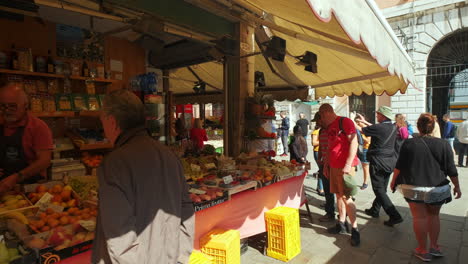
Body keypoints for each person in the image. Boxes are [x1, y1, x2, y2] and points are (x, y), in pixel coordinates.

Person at [92, 90, 194, 264]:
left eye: (102, 121)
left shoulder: (114, 164)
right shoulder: (169, 155)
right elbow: (187, 211)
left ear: (112, 122)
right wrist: (181, 257)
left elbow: (119, 236)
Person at [390, 113, 461, 262]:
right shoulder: (444, 144)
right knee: (434, 216)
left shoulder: (409, 143)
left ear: (418, 127)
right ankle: (434, 247)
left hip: (413, 187)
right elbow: (451, 169)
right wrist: (457, 186)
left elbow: (399, 166)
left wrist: (393, 180)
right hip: (437, 188)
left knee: (419, 217)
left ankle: (422, 250)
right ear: (434, 126)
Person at [319, 104, 360, 246]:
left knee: (346, 197)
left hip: (345, 168)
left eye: (322, 116)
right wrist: (326, 164)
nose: (321, 119)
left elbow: (354, 142)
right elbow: (331, 147)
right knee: (338, 195)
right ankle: (341, 224)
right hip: (333, 166)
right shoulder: (330, 126)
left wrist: (348, 164)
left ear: (327, 112)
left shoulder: (345, 121)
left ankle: (355, 229)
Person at [0, 81, 53, 193]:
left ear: (25, 105)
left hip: (30, 187)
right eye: (3, 106)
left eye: (13, 106)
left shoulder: (37, 127)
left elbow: (44, 161)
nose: (7, 110)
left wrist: (17, 177)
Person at [357, 106, 403, 227]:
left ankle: (394, 215)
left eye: (378, 114)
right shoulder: (393, 127)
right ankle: (375, 210)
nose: (376, 116)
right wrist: (364, 121)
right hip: (390, 162)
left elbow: (363, 130)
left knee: (378, 189)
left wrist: (352, 122)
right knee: (382, 188)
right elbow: (375, 128)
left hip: (378, 162)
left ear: (383, 116)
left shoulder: (379, 127)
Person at [316, 112, 336, 222]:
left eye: (318, 121)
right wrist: (319, 158)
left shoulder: (331, 130)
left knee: (335, 190)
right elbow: (321, 147)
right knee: (327, 190)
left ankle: (341, 215)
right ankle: (330, 212)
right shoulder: (321, 131)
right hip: (324, 164)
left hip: (333, 165)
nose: (318, 123)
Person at [355, 116, 370, 190]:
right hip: (359, 148)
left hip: (365, 149)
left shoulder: (367, 129)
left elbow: (368, 141)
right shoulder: (359, 129)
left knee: (365, 167)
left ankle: (365, 182)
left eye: (358, 122)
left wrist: (360, 135)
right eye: (356, 122)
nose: (357, 124)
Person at [311, 113, 324, 196]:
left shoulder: (322, 131)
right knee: (321, 170)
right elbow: (313, 142)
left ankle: (319, 187)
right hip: (317, 151)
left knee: (321, 170)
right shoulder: (316, 132)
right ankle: (320, 188)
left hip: (321, 152)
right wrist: (323, 140)